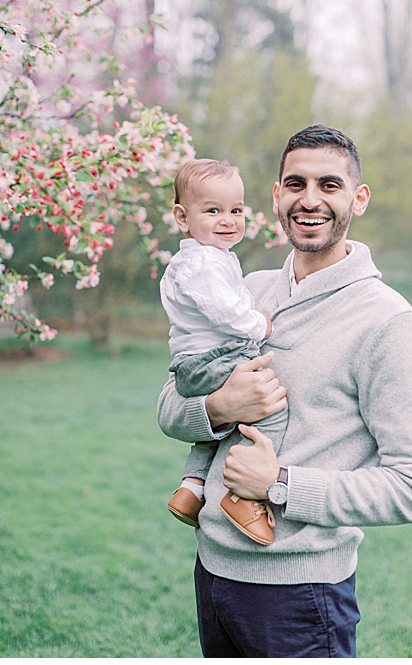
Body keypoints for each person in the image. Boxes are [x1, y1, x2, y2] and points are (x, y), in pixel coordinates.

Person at [157, 125, 412, 657]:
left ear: (358, 198)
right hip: (212, 572)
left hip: (302, 595)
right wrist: (219, 408)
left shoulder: (387, 323)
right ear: (276, 196)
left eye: (329, 185)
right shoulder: (242, 290)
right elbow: (170, 406)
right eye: (296, 183)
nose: (310, 200)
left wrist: (280, 483)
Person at [161, 159, 284, 545]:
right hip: (210, 359)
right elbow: (224, 311)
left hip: (198, 361)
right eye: (213, 210)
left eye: (236, 210)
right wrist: (258, 324)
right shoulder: (202, 261)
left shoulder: (209, 258)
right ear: (182, 217)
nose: (228, 219)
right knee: (267, 407)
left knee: (218, 430)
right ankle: (244, 496)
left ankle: (192, 487)